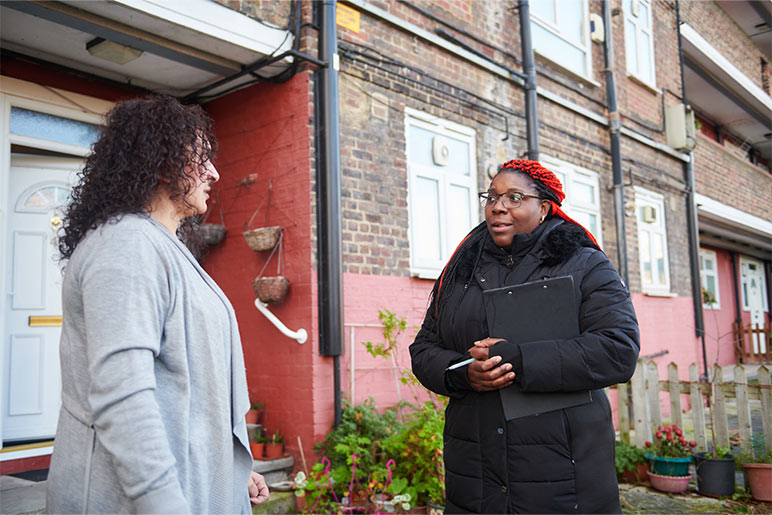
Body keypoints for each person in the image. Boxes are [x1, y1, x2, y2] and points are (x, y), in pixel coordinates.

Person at [46, 95, 269, 513]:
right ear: (164, 162)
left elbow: (185, 386)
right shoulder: (125, 244)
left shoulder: (160, 246)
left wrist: (229, 468)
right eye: (202, 157)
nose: (215, 172)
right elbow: (123, 395)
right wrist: (161, 501)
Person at [410, 159, 640, 514]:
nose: (498, 206)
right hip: (475, 473)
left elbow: (617, 350)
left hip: (563, 473)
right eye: (492, 197)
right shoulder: (461, 272)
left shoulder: (585, 265)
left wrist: (517, 359)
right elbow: (424, 348)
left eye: (514, 197)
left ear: (544, 207)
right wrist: (463, 372)